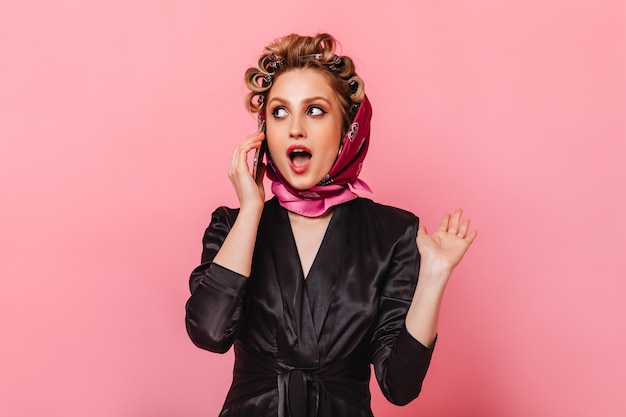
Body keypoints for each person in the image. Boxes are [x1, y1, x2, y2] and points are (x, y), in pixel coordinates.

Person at [185, 33, 477, 417]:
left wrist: (435, 275)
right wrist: (252, 208)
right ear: (263, 130)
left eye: (315, 111)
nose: (295, 129)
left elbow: (400, 387)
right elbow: (208, 333)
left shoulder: (394, 233)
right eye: (279, 112)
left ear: (347, 129)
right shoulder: (231, 226)